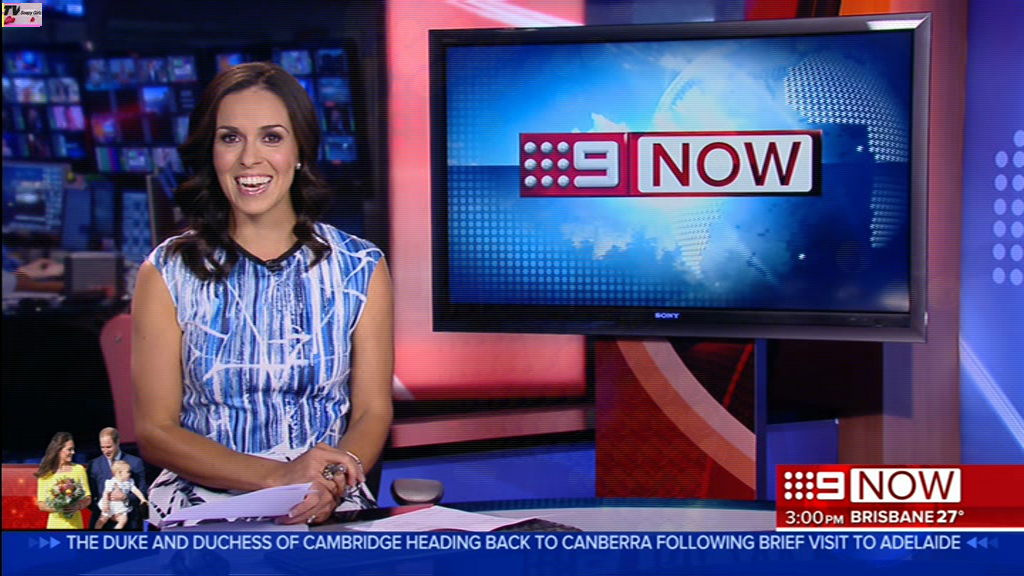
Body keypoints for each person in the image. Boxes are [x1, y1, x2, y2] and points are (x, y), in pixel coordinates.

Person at [133, 62, 394, 527]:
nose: (249, 158)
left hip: (327, 500)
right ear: (211, 152)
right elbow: (155, 431)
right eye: (230, 138)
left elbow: (372, 412)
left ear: (299, 151)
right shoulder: (166, 272)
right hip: (202, 508)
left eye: (272, 137)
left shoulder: (360, 267)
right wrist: (278, 478)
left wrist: (328, 481)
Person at [86, 427, 148, 530]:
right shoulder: (94, 465)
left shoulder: (135, 463)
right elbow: (90, 496)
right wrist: (107, 511)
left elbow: (143, 493)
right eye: (102, 447)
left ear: (117, 442)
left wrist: (125, 497)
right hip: (104, 523)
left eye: (109, 447)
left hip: (128, 523)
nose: (105, 451)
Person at [35, 432, 92, 529]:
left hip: (76, 526)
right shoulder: (45, 474)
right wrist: (60, 507)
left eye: (73, 449)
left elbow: (88, 497)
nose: (73, 452)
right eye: (69, 449)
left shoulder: (79, 469)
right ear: (58, 450)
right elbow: (41, 505)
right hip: (55, 527)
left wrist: (78, 506)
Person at [95, 460, 149, 530]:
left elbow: (136, 490)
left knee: (123, 520)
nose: (130, 474)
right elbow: (106, 493)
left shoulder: (129, 482)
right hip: (110, 505)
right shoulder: (112, 482)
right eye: (128, 472)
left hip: (121, 507)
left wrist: (142, 499)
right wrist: (105, 504)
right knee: (102, 520)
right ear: (119, 473)